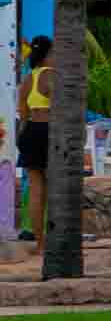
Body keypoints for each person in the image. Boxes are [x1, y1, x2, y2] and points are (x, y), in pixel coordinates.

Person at [9, 36, 52, 251]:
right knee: (55, 187)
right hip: (48, 132)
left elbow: (23, 113)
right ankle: (55, 239)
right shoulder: (51, 76)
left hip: (29, 131)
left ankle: (40, 243)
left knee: (36, 189)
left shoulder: (28, 79)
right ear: (49, 54)